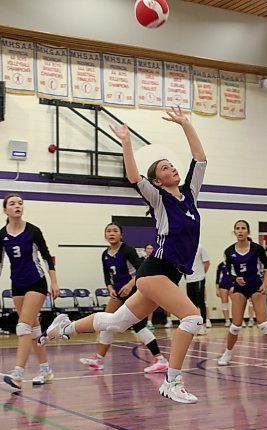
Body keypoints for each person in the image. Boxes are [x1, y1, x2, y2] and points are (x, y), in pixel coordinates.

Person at [40, 106, 207, 404]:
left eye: (172, 165)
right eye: (165, 168)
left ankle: (63, 327)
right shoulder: (159, 198)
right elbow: (133, 177)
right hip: (155, 270)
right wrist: (127, 143)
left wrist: (185, 124)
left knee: (116, 322)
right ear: (157, 181)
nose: (172, 169)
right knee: (193, 319)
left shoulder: (191, 195)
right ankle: (172, 381)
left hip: (170, 274)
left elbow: (200, 158)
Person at [79, 223, 168, 374]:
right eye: (108, 231)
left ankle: (160, 359)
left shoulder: (127, 250)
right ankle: (99, 359)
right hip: (118, 293)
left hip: (133, 290)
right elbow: (107, 276)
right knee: (105, 322)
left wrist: (129, 285)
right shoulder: (105, 254)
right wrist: (110, 288)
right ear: (105, 235)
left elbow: (141, 269)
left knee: (138, 325)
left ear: (121, 235)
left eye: (115, 231)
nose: (111, 233)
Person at [1, 193, 60, 390]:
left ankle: (18, 373)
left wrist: (54, 282)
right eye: (12, 203)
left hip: (36, 282)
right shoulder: (2, 235)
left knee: (23, 326)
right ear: (5, 210)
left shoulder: (33, 231)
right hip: (17, 285)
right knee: (33, 331)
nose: (17, 206)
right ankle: (45, 369)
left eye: (20, 203)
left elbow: (45, 257)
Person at [217, 220, 267, 369]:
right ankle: (227, 354)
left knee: (263, 324)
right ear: (234, 232)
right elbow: (228, 273)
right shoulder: (229, 251)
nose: (240, 231)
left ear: (248, 231)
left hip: (255, 287)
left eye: (243, 228)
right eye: (237, 228)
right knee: (235, 326)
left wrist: (264, 285)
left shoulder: (257, 249)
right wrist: (236, 279)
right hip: (239, 289)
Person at [144, 242, 173, 329]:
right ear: (145, 250)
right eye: (148, 249)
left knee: (167, 303)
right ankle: (149, 322)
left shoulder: (158, 260)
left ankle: (169, 320)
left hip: (160, 284)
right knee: (149, 304)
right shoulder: (142, 261)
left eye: (151, 249)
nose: (149, 250)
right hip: (148, 285)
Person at [185, 244, 210, 335]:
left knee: (201, 302)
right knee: (192, 304)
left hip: (199, 278)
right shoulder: (184, 249)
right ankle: (194, 325)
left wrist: (201, 274)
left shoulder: (200, 247)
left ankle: (202, 325)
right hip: (189, 280)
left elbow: (207, 262)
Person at [215, 260, 233, 327]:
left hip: (233, 286)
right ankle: (227, 321)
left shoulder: (235, 263)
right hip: (223, 286)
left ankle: (238, 320)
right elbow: (217, 278)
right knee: (225, 304)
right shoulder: (221, 265)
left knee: (236, 304)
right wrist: (217, 289)